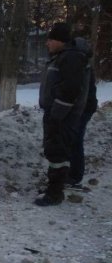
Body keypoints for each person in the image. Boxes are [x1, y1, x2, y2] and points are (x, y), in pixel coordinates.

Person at [35, 22, 91, 206]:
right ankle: (55, 188)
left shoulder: (70, 58)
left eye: (50, 39)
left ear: (60, 41)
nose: (47, 43)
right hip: (57, 114)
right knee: (55, 151)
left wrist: (57, 113)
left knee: (57, 152)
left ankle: (55, 194)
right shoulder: (61, 57)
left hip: (62, 116)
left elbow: (71, 89)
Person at [67, 36, 98, 187]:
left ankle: (75, 175)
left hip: (84, 108)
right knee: (73, 140)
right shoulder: (81, 63)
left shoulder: (82, 64)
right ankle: (72, 172)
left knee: (76, 140)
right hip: (83, 107)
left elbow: (83, 91)